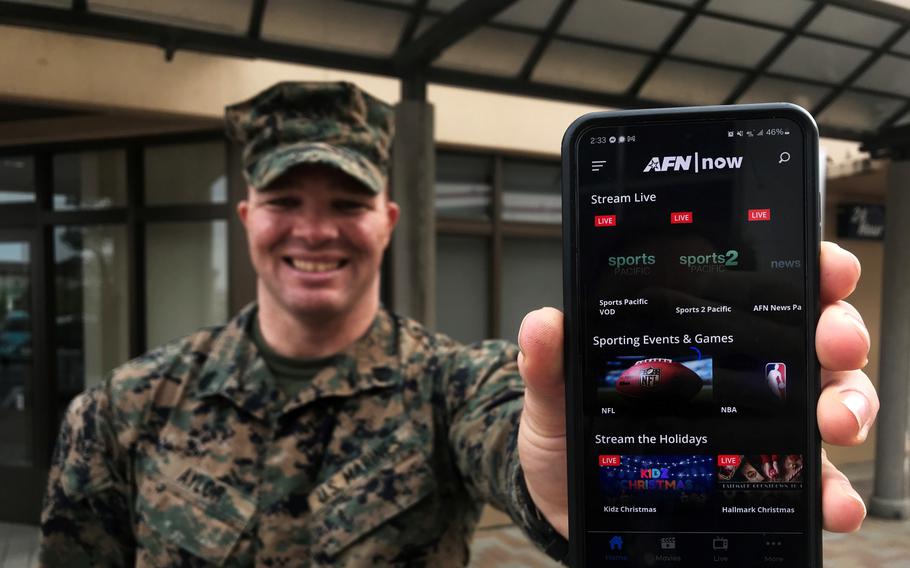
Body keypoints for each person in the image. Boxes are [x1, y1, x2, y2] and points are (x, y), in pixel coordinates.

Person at [38, 81, 877, 566]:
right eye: (286, 201)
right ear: (247, 215)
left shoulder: (452, 384)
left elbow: (516, 441)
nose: (315, 229)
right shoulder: (124, 408)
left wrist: (582, 486)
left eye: (347, 202)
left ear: (390, 219)